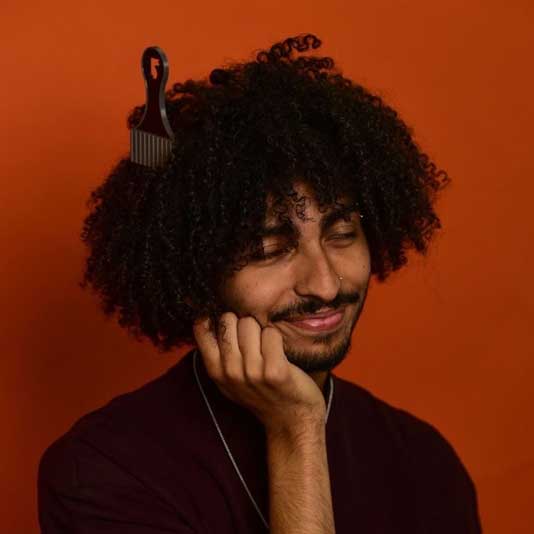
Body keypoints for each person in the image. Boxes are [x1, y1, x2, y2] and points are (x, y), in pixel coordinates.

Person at [38, 33, 482, 533]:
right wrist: (297, 433)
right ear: (194, 272)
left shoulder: (424, 463)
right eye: (270, 249)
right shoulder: (102, 471)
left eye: (341, 234)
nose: (325, 283)